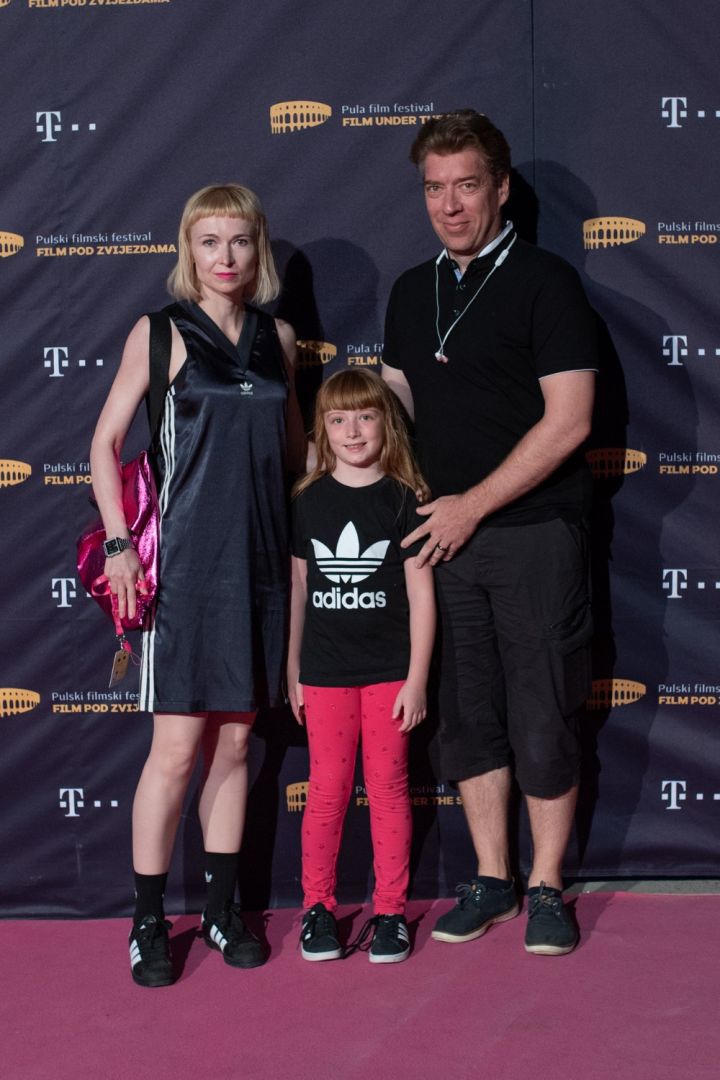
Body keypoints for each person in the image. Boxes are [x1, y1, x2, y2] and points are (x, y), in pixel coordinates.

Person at [382, 110, 597, 956]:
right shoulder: (411, 290)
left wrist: (472, 504)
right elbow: (396, 405)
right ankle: (493, 879)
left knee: (542, 711)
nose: (450, 205)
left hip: (534, 533)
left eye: (466, 186)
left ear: (500, 189)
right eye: (434, 188)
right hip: (440, 542)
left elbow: (570, 420)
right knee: (467, 717)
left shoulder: (547, 283)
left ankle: (545, 885)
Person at [90, 183, 305, 987]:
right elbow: (105, 443)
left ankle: (220, 911)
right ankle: (147, 922)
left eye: (239, 240)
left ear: (258, 248)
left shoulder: (280, 339)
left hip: (260, 569)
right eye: (210, 241)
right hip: (181, 573)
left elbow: (296, 457)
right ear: (189, 249)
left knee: (237, 745)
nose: (226, 256)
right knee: (177, 751)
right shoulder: (159, 333)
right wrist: (121, 543)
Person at [287, 369, 435, 963]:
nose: (353, 431)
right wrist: (292, 669)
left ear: (386, 423)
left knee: (388, 789)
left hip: (389, 673)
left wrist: (417, 678)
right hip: (324, 673)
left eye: (366, 416)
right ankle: (317, 909)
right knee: (326, 790)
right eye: (338, 419)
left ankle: (391, 912)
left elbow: (421, 595)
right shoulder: (307, 499)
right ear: (322, 429)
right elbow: (299, 587)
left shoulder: (405, 497)